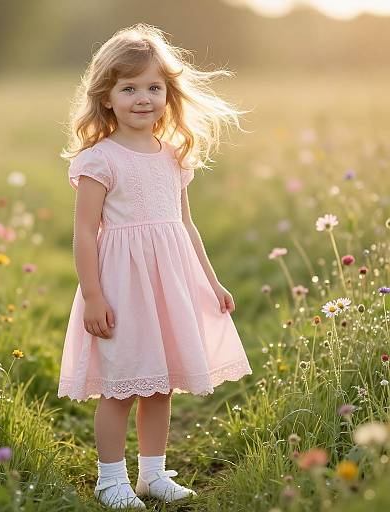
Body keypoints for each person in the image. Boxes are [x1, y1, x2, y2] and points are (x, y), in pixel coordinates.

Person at [58, 23, 253, 509]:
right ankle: (110, 479)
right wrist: (94, 295)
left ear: (168, 94)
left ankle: (151, 474)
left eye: (153, 87)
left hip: (170, 283)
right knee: (123, 384)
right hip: (122, 285)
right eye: (129, 88)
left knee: (161, 382)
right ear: (106, 97)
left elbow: (186, 227)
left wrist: (212, 282)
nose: (142, 98)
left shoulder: (172, 155)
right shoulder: (98, 161)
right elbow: (84, 233)